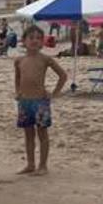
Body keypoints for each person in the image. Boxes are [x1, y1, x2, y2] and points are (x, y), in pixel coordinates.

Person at [14, 25, 68, 176]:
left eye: (38, 38)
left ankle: (43, 166)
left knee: (42, 134)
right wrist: (18, 92)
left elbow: (63, 76)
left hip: (40, 102)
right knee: (28, 135)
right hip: (24, 102)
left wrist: (55, 93)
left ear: (42, 42)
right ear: (24, 41)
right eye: (31, 38)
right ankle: (30, 164)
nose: (35, 41)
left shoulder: (45, 59)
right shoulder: (19, 60)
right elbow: (18, 78)